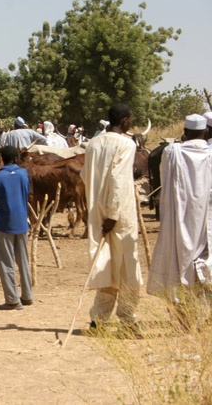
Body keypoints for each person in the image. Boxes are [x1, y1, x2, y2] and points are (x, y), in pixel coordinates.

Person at [80, 103, 141, 330]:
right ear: (124, 120)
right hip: (121, 216)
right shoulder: (127, 144)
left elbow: (85, 175)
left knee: (105, 264)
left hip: (98, 214)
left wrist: (100, 208)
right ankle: (127, 321)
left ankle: (99, 319)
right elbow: (118, 178)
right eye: (130, 118)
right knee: (127, 267)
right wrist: (113, 214)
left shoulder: (92, 144)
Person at [147, 114, 212, 302]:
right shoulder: (209, 153)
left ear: (184, 132)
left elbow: (164, 177)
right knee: (203, 253)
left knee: (180, 252)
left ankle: (180, 299)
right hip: (204, 214)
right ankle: (202, 302)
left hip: (180, 213)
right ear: (206, 131)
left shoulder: (172, 151)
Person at [0, 146, 33, 310]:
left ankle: (13, 300)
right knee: (23, 260)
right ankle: (27, 296)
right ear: (15, 158)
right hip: (22, 222)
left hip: (4, 224)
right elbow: (27, 192)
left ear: (2, 158)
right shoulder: (23, 174)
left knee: (6, 262)